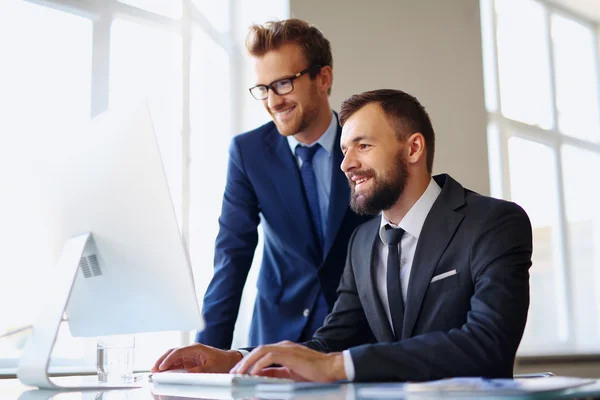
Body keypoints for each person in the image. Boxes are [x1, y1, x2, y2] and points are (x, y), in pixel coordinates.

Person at [154, 89, 532, 382]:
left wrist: (338, 366)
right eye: (345, 150)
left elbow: (488, 344)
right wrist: (236, 358)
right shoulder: (363, 242)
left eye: (363, 146)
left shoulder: (494, 223)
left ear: (413, 148)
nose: (347, 164)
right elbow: (328, 344)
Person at [196, 19, 369, 349]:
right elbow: (232, 254)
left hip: (358, 338)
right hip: (277, 338)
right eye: (263, 88)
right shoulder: (247, 153)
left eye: (284, 84)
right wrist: (206, 353)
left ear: (324, 78)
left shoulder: (365, 142)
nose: (273, 101)